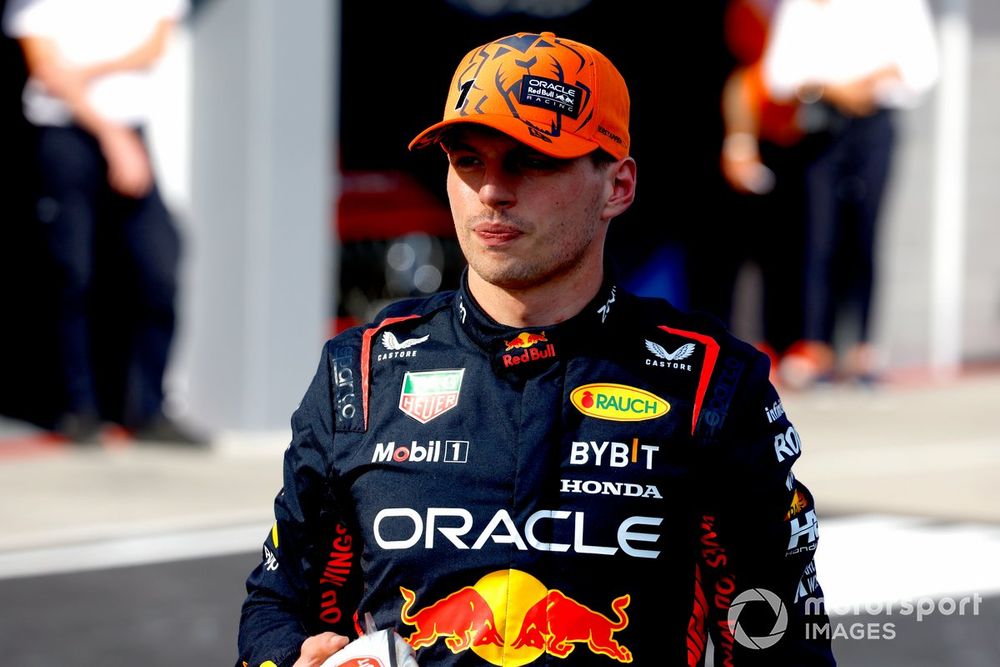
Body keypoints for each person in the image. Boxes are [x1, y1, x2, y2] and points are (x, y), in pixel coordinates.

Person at [237, 31, 835, 666]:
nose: (492, 191)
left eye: (532, 161)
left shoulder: (709, 382)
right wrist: (290, 659)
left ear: (618, 186)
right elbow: (277, 601)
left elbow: (778, 633)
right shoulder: (360, 373)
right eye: (469, 161)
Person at [2, 0, 204, 444]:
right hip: (64, 134)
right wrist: (110, 132)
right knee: (71, 273)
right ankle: (77, 408)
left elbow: (152, 47)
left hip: (129, 132)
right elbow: (45, 68)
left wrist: (85, 73)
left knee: (159, 265)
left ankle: (150, 408)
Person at [761, 0, 940, 388]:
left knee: (866, 236)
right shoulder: (805, 5)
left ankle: (862, 348)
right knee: (819, 237)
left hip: (875, 124)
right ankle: (814, 347)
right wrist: (832, 87)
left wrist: (870, 82)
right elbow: (779, 75)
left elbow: (922, 69)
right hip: (822, 124)